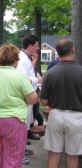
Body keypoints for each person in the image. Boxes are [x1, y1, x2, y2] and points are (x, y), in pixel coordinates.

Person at [0, 44, 37, 168]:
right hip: (13, 120)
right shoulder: (20, 77)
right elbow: (32, 100)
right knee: (13, 157)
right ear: (15, 60)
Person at [40, 38, 82, 168]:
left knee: (54, 153)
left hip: (56, 115)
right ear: (73, 50)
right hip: (77, 117)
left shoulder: (50, 73)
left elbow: (43, 101)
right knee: (73, 155)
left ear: (57, 52)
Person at [16, 34, 42, 163]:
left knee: (25, 127)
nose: (38, 49)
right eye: (36, 46)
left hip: (29, 98)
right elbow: (23, 79)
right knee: (21, 128)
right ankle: (19, 154)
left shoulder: (27, 58)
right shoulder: (21, 59)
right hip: (23, 99)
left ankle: (22, 148)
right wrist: (37, 80)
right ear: (30, 46)